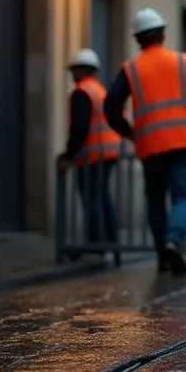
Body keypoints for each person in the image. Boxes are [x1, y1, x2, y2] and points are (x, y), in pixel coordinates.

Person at [104, 8, 186, 275]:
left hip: (150, 145)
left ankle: (162, 257)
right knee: (182, 198)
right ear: (164, 34)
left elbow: (110, 105)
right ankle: (174, 241)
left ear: (138, 39)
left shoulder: (131, 69)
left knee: (155, 199)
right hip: (182, 140)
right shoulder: (182, 62)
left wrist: (128, 131)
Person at [58, 49, 121, 259]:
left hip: (93, 154)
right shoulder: (100, 91)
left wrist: (68, 155)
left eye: (74, 69)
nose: (72, 74)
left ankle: (95, 243)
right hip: (109, 151)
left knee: (92, 199)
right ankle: (111, 240)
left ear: (82, 70)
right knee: (102, 196)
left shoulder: (82, 93)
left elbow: (79, 129)